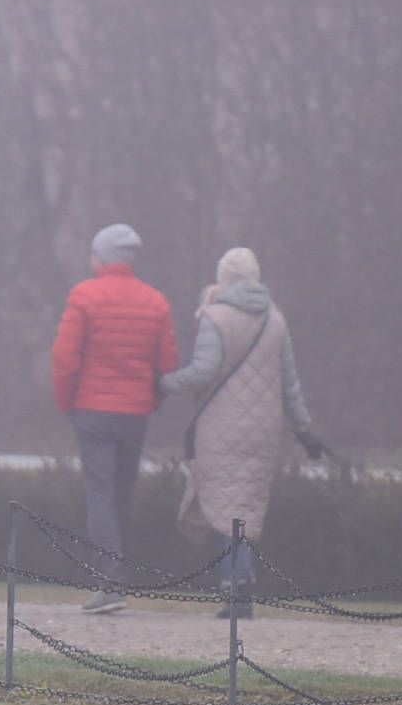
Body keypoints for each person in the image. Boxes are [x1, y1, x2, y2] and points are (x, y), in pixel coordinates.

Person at [159, 247, 327, 619]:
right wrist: (304, 431)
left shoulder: (213, 316)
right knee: (243, 509)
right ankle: (242, 588)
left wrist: (165, 384)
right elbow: (290, 383)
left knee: (222, 507)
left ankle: (235, 590)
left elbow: (204, 371)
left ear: (223, 278)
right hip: (264, 429)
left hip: (221, 425)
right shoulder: (276, 320)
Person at [50, 221, 178, 613]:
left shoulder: (84, 297)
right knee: (122, 494)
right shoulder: (156, 302)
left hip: (91, 409)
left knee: (100, 495)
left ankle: (109, 582)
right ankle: (116, 578)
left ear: (101, 257)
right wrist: (150, 401)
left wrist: (66, 401)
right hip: (134, 413)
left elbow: (65, 358)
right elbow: (167, 365)